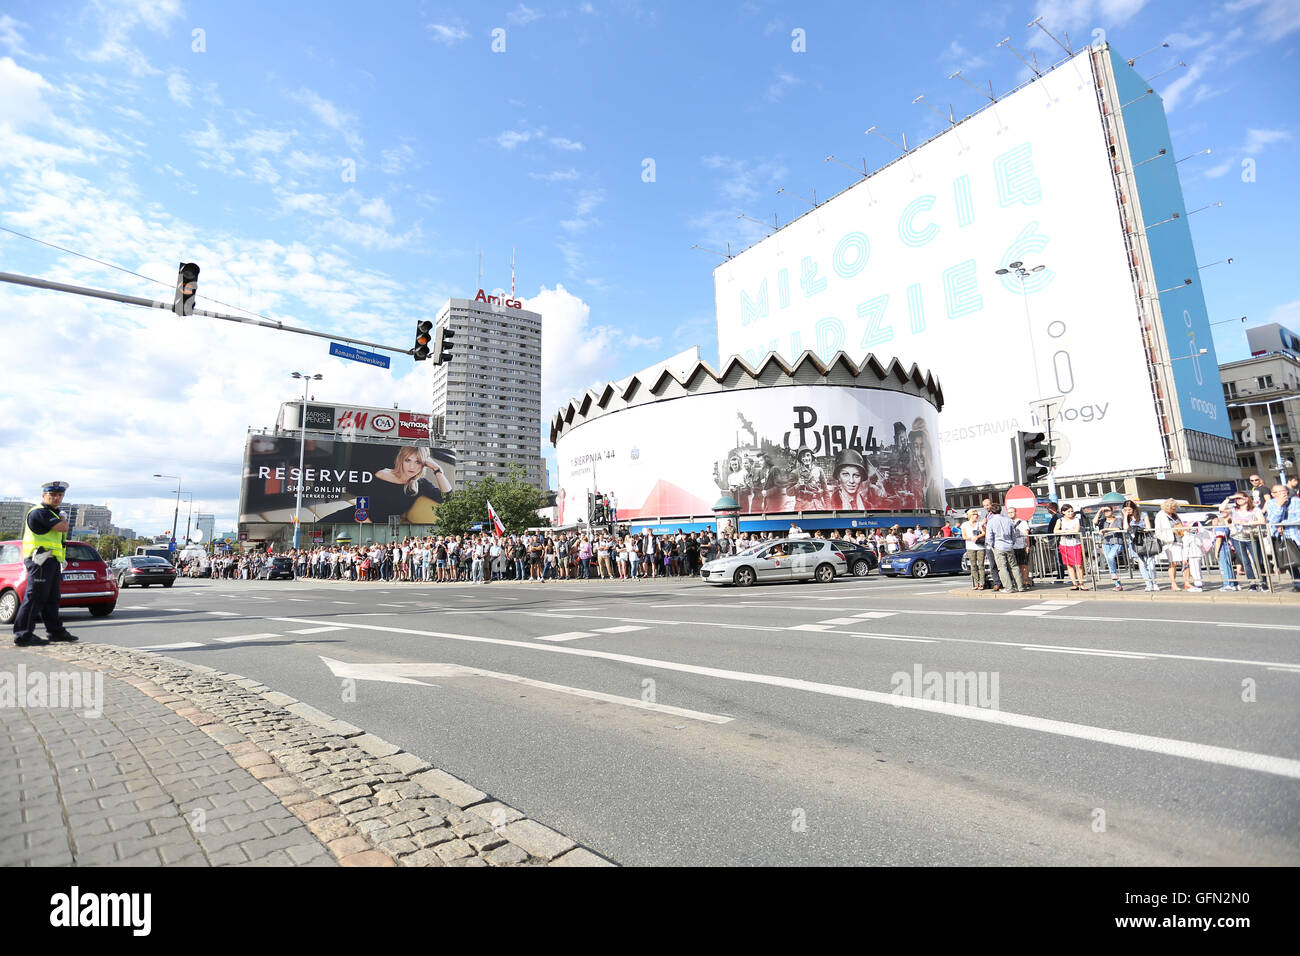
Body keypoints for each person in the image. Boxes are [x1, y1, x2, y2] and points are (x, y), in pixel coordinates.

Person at [13, 481, 79, 646]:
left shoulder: (52, 512)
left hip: (51, 560)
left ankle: (56, 632)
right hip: (40, 560)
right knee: (35, 597)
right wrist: (63, 516)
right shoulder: (40, 512)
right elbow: (63, 527)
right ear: (44, 496)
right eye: (53, 495)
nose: (57, 498)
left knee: (52, 598)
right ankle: (23, 635)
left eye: (60, 495)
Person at [1264, 483, 1300, 592]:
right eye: (1279, 492)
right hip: (1283, 539)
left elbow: (1298, 518)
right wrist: (1279, 506)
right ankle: (1297, 584)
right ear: (1273, 494)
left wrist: (1283, 523)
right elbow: (1272, 521)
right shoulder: (1270, 504)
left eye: (1284, 491)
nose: (1283, 494)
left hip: (1296, 535)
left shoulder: (1296, 501)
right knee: (1291, 562)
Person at [1155, 498, 1197, 592]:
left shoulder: (1175, 515)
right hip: (1170, 541)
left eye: (1175, 508)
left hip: (1181, 540)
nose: (1175, 509)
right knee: (1173, 563)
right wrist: (1168, 535)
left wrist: (1184, 529)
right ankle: (1173, 583)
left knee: (1185, 562)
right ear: (1168, 507)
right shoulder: (1161, 515)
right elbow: (1158, 531)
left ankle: (1187, 582)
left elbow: (1180, 524)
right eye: (1173, 508)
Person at [984, 503, 1020, 592]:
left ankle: (1008, 587)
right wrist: (1012, 543)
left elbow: (989, 537)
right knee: (1014, 566)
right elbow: (1013, 534)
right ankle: (1020, 586)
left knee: (1002, 567)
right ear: (1001, 510)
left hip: (998, 546)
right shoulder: (1008, 520)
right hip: (1009, 546)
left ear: (992, 511)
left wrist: (992, 545)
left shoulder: (991, 522)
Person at [1057, 503, 1088, 590]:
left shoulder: (1076, 520)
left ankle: (1081, 583)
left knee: (1078, 564)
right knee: (1069, 565)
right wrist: (1065, 531)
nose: (1071, 513)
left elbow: (1076, 530)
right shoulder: (1060, 520)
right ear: (1063, 512)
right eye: (1068, 512)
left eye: (1071, 511)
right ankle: (1075, 584)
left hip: (1075, 543)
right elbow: (1056, 530)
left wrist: (1066, 531)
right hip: (1065, 544)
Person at [1096, 506, 1127, 591]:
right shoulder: (1102, 521)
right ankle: (1118, 585)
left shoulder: (1118, 520)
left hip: (1116, 542)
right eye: (1104, 511)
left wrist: (1106, 530)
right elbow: (1094, 522)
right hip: (1106, 543)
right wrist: (1099, 511)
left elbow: (1119, 528)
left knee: (1110, 557)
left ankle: (1113, 574)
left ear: (1112, 511)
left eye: (1108, 510)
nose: (1106, 512)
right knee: (1110, 562)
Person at [961, 508, 985, 589]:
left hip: (980, 547)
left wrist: (977, 537)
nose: (976, 516)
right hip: (970, 546)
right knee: (973, 565)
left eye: (977, 515)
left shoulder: (979, 523)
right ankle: (975, 583)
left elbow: (984, 532)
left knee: (981, 565)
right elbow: (964, 536)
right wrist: (971, 538)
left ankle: (982, 582)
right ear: (970, 515)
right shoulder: (965, 524)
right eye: (975, 515)